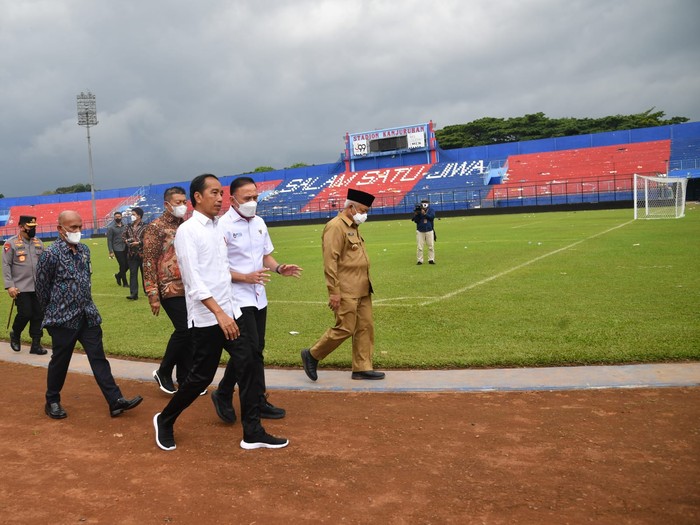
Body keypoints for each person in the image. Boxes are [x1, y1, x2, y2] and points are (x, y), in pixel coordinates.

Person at [153, 174, 288, 451]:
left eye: (221, 193)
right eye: (213, 193)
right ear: (197, 197)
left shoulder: (217, 228)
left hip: (230, 312)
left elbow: (221, 274)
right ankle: (165, 419)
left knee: (248, 362)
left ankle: (252, 431)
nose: (219, 198)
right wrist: (219, 314)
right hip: (207, 318)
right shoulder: (188, 231)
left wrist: (231, 311)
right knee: (201, 377)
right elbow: (193, 281)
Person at [35, 210, 143, 419]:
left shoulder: (84, 250)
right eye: (72, 228)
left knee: (98, 358)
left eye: (80, 227)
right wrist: (52, 311)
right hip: (63, 319)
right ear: (60, 229)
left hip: (88, 315)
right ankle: (52, 401)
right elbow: (41, 287)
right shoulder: (51, 254)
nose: (77, 231)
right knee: (60, 361)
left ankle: (115, 400)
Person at [211, 176, 302, 424]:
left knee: (256, 350)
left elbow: (266, 256)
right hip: (236, 298)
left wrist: (279, 268)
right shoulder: (222, 226)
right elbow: (217, 268)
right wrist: (244, 277)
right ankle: (231, 394)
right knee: (248, 352)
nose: (252, 202)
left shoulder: (260, 222)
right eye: (247, 198)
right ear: (233, 200)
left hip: (259, 296)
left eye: (255, 197)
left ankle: (248, 397)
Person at [301, 188, 385, 381]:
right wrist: (334, 292)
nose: (364, 215)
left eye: (367, 211)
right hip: (346, 289)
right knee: (345, 327)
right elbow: (330, 261)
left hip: (363, 286)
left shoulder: (352, 226)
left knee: (365, 327)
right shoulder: (335, 227)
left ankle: (362, 368)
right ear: (350, 207)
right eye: (362, 210)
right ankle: (312, 354)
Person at [143, 187, 191, 394]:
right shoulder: (156, 228)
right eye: (178, 202)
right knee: (184, 330)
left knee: (192, 332)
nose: (182, 206)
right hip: (168, 287)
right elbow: (148, 262)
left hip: (189, 287)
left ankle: (185, 378)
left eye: (184, 202)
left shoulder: (187, 226)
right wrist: (152, 294)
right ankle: (164, 371)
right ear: (167, 204)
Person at [2, 215, 47, 355]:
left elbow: (45, 264)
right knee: (25, 313)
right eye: (30, 227)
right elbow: (6, 265)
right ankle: (15, 333)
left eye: (34, 227)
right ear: (21, 227)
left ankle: (36, 344)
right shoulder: (11, 244)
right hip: (21, 286)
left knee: (39, 315)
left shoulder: (38, 242)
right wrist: (10, 286)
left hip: (39, 286)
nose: (33, 229)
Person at [124, 207, 146, 300]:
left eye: (133, 214)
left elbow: (148, 239)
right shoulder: (128, 226)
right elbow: (123, 236)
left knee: (145, 273)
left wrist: (139, 242)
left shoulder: (146, 226)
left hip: (143, 253)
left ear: (139, 216)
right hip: (131, 253)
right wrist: (126, 241)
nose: (132, 216)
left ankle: (148, 290)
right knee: (133, 273)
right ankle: (134, 294)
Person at [106, 211, 129, 287]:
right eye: (116, 217)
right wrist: (110, 251)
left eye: (119, 216)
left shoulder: (125, 226)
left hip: (126, 247)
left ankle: (118, 276)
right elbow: (109, 240)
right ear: (114, 218)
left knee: (127, 265)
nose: (118, 218)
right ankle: (125, 283)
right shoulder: (111, 228)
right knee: (122, 264)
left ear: (121, 217)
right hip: (117, 248)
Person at [412, 198, 435, 265]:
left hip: (429, 230)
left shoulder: (431, 210)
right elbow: (416, 221)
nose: (425, 204)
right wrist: (416, 214)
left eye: (426, 202)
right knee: (420, 247)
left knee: (431, 246)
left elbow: (432, 217)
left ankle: (431, 259)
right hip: (420, 231)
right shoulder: (418, 210)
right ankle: (420, 260)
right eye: (423, 202)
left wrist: (425, 214)